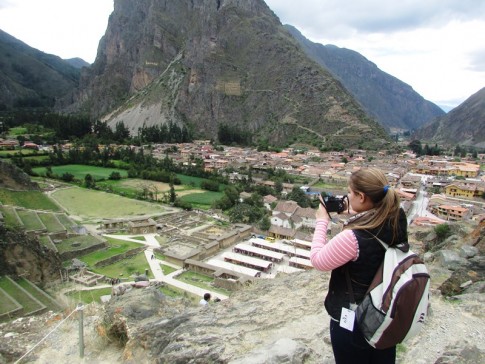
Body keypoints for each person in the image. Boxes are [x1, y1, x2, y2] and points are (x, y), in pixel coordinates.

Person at [311, 168, 408, 364]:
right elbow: (375, 219)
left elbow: (318, 260)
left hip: (353, 319)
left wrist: (322, 221)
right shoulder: (397, 217)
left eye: (350, 192)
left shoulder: (353, 238)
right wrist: (357, 211)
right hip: (383, 314)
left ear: (362, 196)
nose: (347, 196)